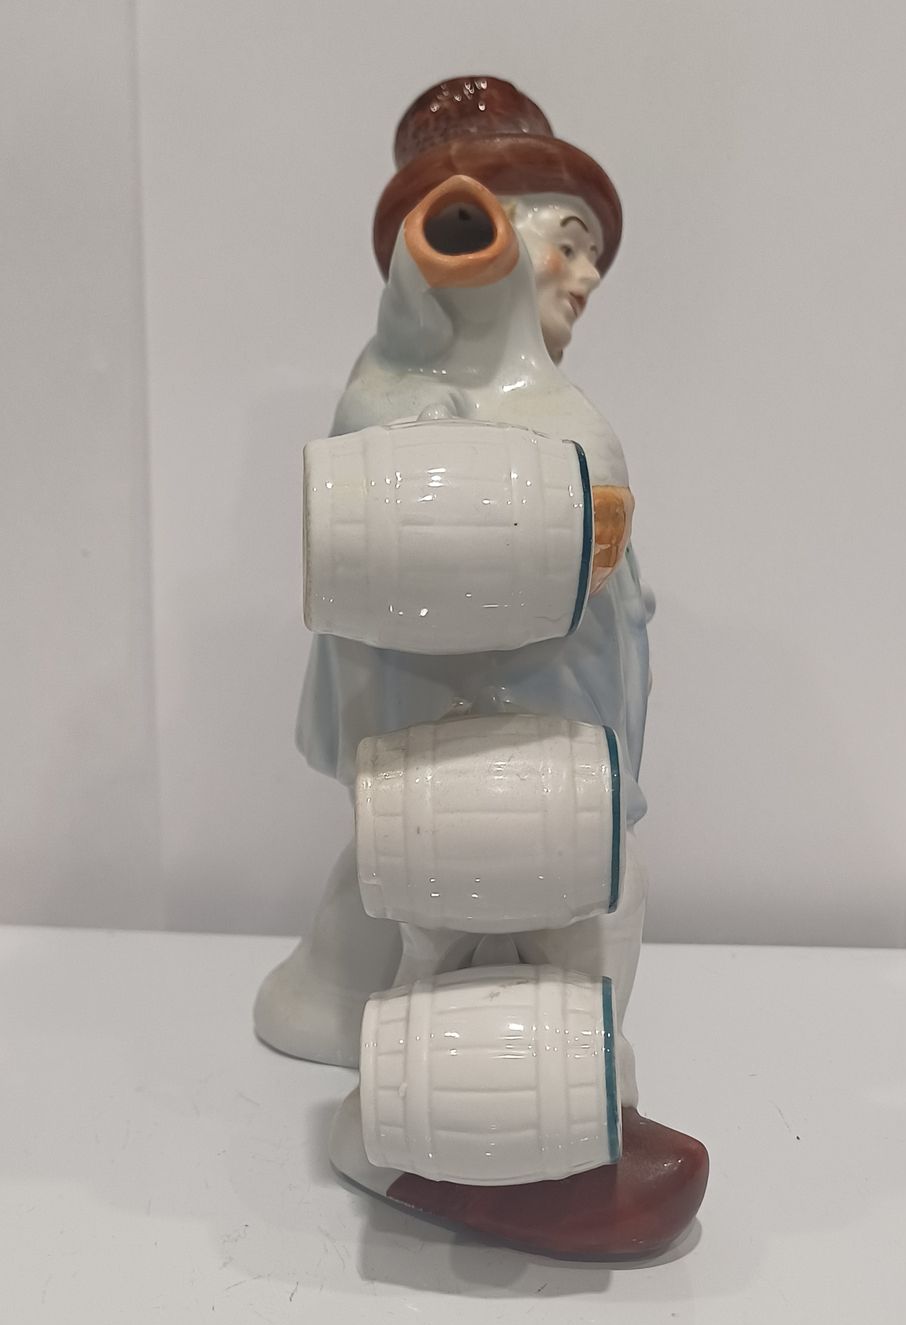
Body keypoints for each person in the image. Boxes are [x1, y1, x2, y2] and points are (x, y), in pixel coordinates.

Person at [255, 78, 653, 1110]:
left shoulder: (552, 400)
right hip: (470, 752)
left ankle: (533, 1066)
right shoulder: (401, 397)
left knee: (550, 893)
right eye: (568, 242)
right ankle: (452, 1070)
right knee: (464, 895)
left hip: (563, 747)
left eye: (593, 254)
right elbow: (389, 544)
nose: (587, 276)